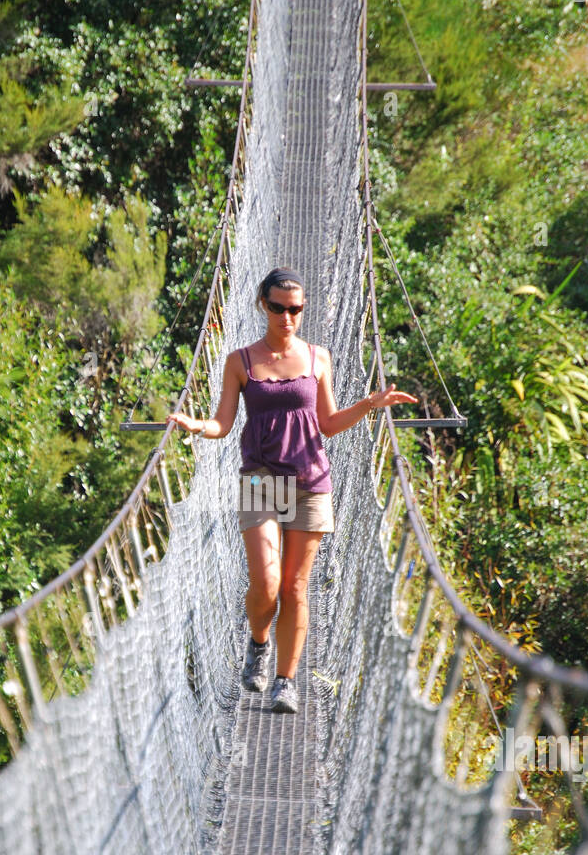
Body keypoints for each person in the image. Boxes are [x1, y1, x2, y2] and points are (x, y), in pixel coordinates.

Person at [166, 268, 417, 713]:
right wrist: (197, 426)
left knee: (296, 588)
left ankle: (285, 681)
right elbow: (223, 424)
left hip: (311, 482)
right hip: (262, 481)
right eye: (279, 308)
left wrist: (369, 405)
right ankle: (258, 643)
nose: (287, 317)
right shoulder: (241, 361)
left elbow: (327, 423)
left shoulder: (319, 357)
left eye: (296, 309)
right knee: (266, 583)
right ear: (263, 305)